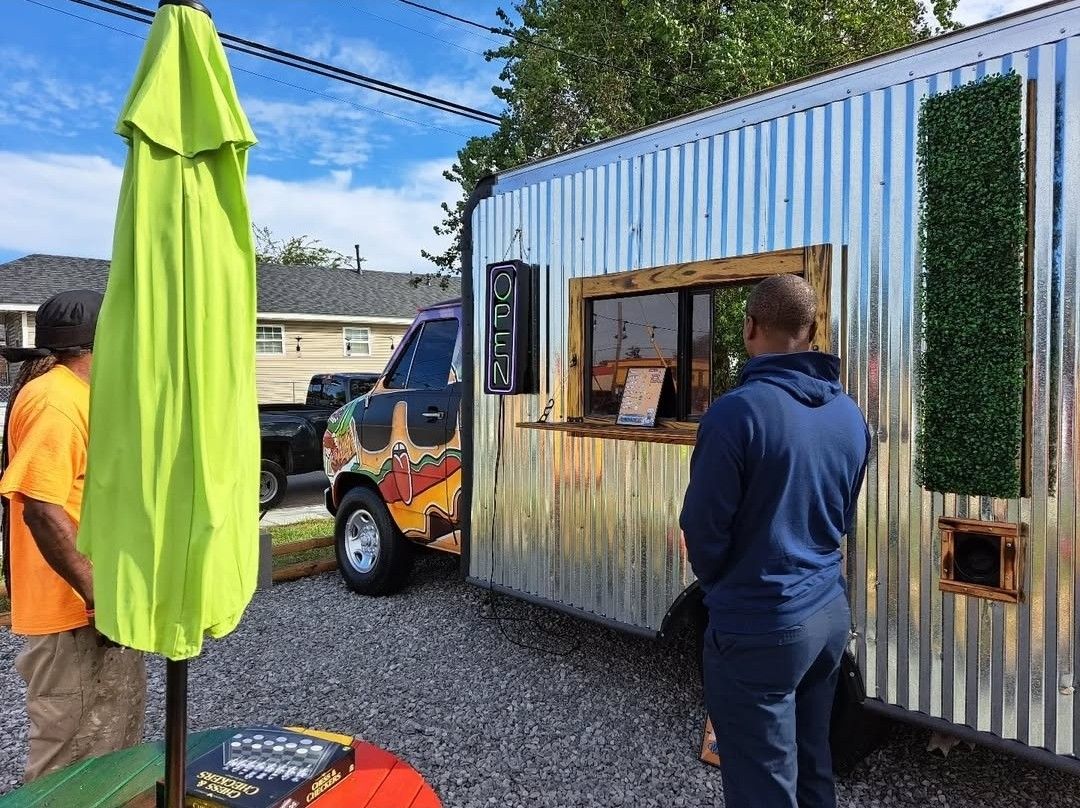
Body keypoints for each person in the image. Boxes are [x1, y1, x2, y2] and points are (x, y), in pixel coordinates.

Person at [680, 274, 870, 808]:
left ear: (749, 327)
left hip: (761, 621)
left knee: (762, 783)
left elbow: (702, 529)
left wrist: (725, 586)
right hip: (829, 614)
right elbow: (841, 518)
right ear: (812, 330)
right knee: (813, 764)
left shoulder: (736, 413)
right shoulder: (849, 415)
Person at [0, 290, 146, 783]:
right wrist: (97, 592)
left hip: (89, 608)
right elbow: (40, 507)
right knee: (69, 765)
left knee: (109, 752)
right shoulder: (57, 401)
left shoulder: (77, 393)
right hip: (73, 611)